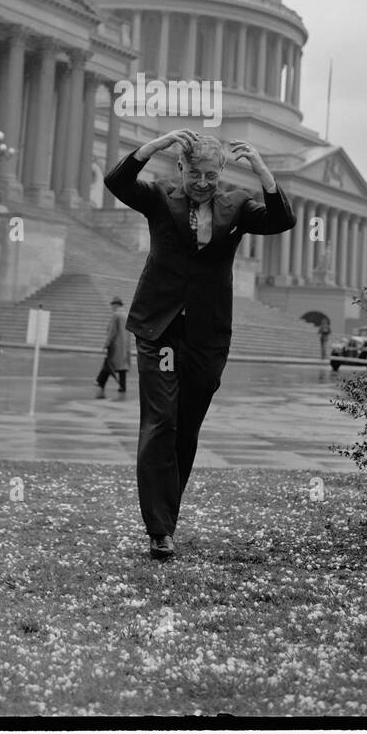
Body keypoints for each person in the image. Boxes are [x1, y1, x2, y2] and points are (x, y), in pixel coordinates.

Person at [104, 128, 296, 560]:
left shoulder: (238, 206)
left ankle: (166, 518)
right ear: (181, 168)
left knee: (185, 429)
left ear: (222, 172)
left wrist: (264, 172)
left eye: (211, 175)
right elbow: (117, 182)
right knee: (161, 422)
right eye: (195, 174)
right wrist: (152, 145)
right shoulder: (158, 197)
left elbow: (283, 220)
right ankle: (160, 531)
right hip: (160, 329)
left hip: (207, 337)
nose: (203, 183)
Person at [96, 296, 130, 397]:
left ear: (115, 305)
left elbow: (112, 332)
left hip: (115, 346)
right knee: (122, 367)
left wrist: (106, 344)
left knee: (109, 364)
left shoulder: (116, 315)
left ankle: (100, 382)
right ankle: (122, 386)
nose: (112, 307)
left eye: (112, 305)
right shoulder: (126, 315)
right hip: (124, 345)